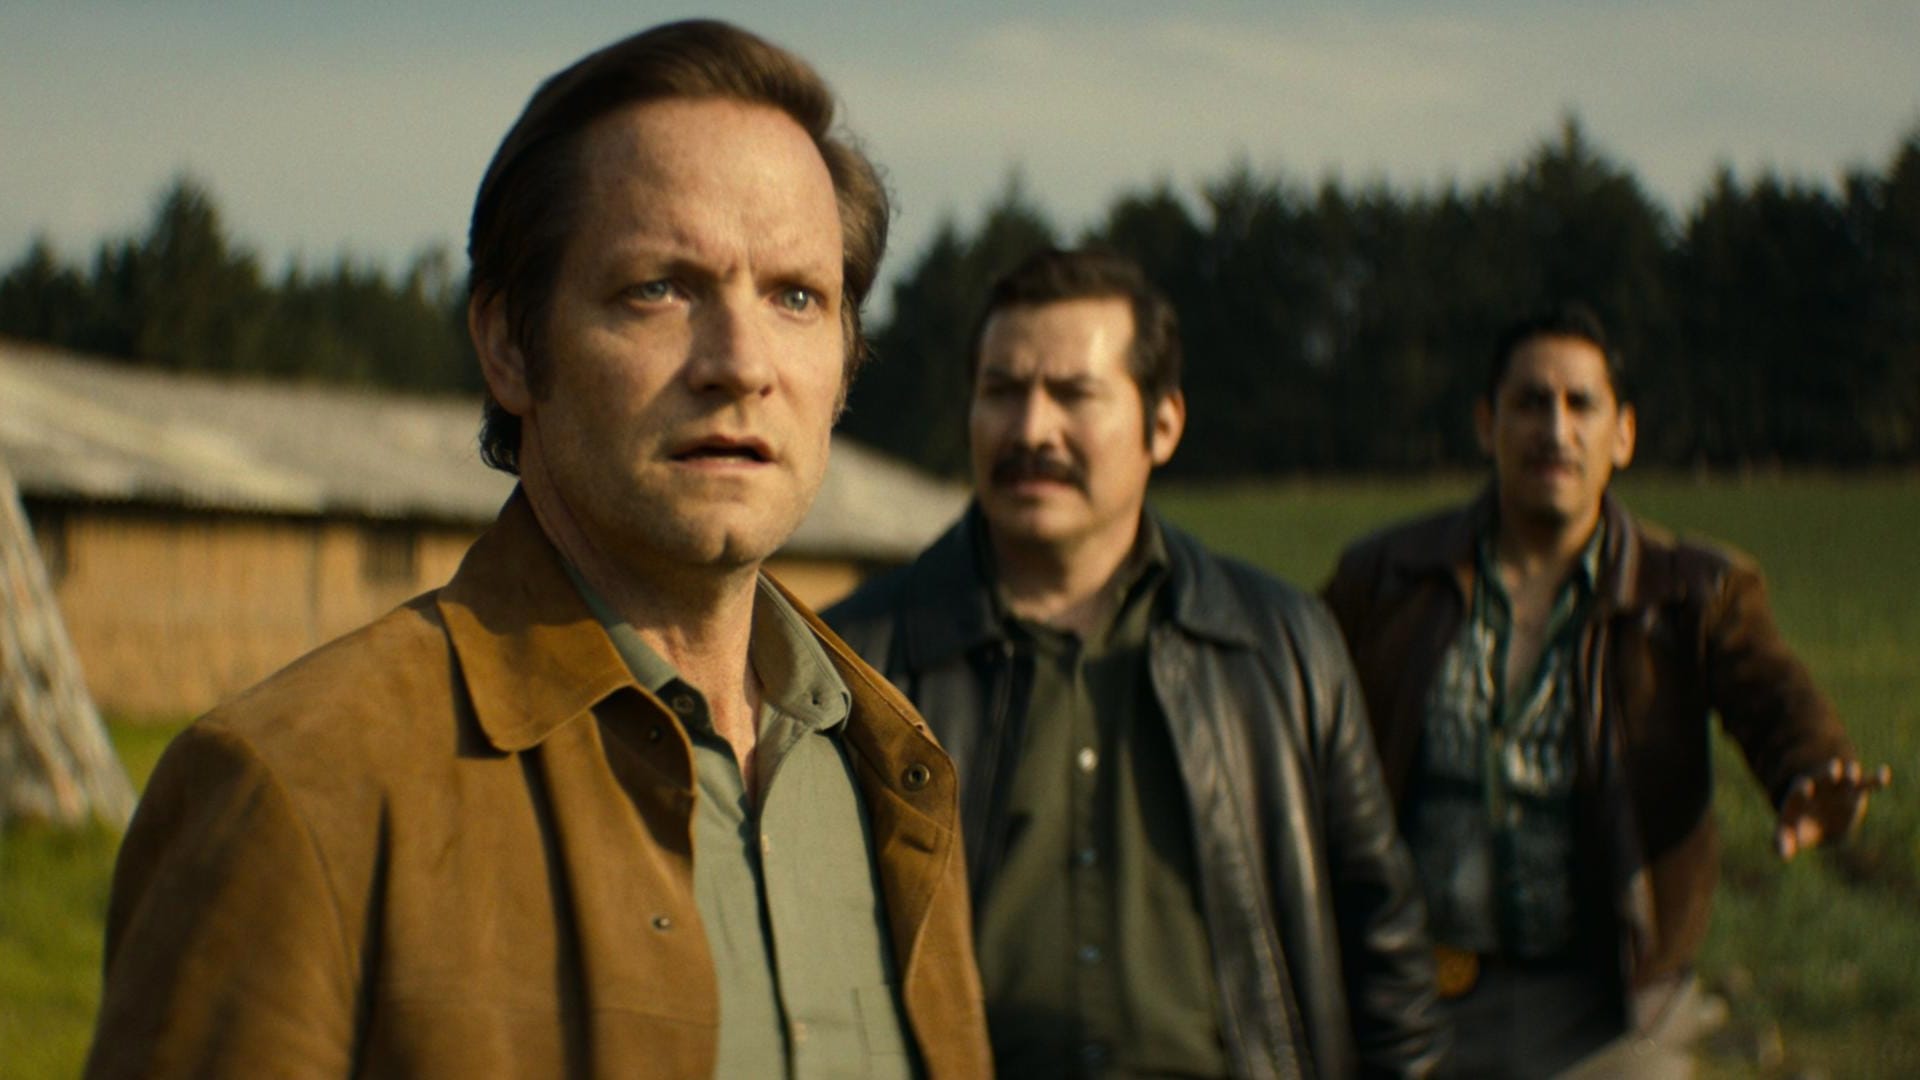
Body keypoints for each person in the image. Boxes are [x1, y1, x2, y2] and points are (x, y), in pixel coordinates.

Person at [86, 20, 991, 1078]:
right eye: (660, 287)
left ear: (844, 362)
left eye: (796, 296)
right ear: (510, 345)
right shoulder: (296, 789)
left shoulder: (895, 770)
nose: (742, 364)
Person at [828, 247, 1445, 1078]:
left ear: (1164, 424)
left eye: (1074, 394)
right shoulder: (856, 663)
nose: (1031, 429)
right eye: (1002, 391)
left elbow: (1385, 946)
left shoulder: (1283, 645)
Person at [1321, 302, 1892, 1078]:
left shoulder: (1689, 591)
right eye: (1530, 403)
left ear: (1622, 435)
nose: (1555, 430)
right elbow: (1293, 710)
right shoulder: (1388, 579)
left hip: (1611, 1013)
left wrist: (1811, 768)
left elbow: (1772, 695)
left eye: (1580, 404)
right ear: (1487, 425)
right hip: (1415, 993)